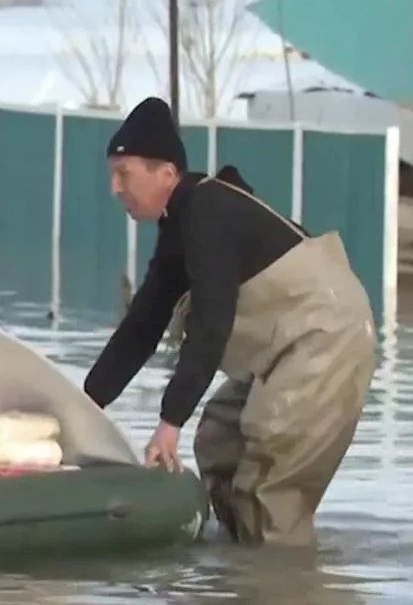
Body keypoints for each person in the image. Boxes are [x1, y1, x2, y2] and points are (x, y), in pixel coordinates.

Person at [83, 97, 377, 547]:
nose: (114, 188)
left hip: (327, 337)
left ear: (167, 173)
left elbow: (212, 323)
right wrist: (84, 405)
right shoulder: (179, 228)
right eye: (111, 174)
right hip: (287, 347)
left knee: (269, 478)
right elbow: (142, 326)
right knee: (220, 436)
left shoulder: (207, 213)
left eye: (124, 173)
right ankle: (233, 572)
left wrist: (169, 422)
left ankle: (278, 590)